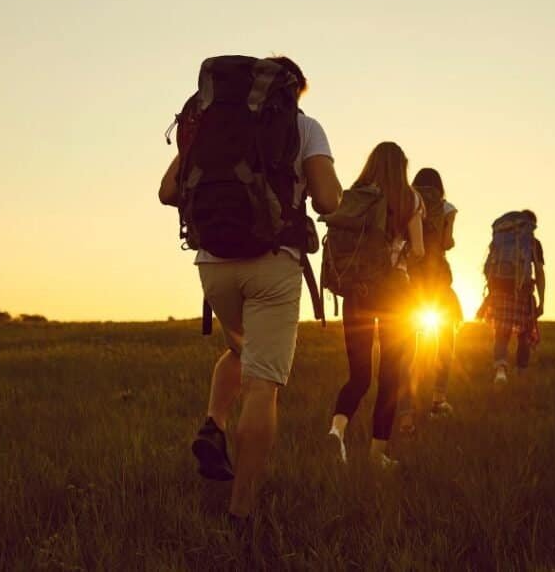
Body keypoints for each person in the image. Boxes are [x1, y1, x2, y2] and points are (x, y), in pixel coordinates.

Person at [159, 56, 341, 522]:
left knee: (240, 349)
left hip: (213, 264)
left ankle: (214, 424)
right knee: (263, 385)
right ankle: (242, 512)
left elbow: (167, 191)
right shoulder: (305, 127)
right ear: (294, 89)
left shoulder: (218, 123)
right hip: (273, 263)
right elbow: (326, 198)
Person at [327, 142, 424, 468]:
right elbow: (421, 250)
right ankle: (377, 454)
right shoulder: (409, 198)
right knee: (390, 377)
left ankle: (337, 431)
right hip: (396, 295)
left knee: (359, 376)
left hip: (358, 291)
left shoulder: (356, 195)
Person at [396, 167, 463, 432]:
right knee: (446, 339)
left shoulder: (406, 203)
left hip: (409, 280)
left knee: (406, 350)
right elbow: (446, 243)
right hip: (438, 282)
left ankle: (404, 415)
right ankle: (438, 401)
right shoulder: (447, 208)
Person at [479, 209, 545, 383]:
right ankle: (521, 372)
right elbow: (539, 272)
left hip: (499, 290)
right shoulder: (532, 243)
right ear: (532, 225)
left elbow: (489, 267)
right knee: (524, 334)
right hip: (522, 292)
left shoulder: (500, 241)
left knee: (501, 334)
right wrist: (542, 300)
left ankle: (500, 370)